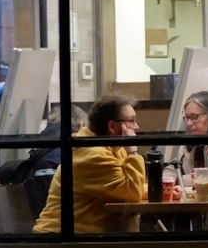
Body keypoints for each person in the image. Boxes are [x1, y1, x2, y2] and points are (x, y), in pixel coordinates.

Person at [32, 94, 145, 234]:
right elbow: (132, 192)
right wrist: (133, 150)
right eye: (131, 121)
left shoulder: (112, 149)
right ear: (112, 126)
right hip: (63, 237)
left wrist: (163, 191)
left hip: (84, 234)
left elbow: (130, 186)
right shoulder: (93, 155)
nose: (136, 126)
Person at [178, 90, 208, 177]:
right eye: (187, 118)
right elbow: (173, 167)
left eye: (194, 117)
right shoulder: (187, 146)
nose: (189, 123)